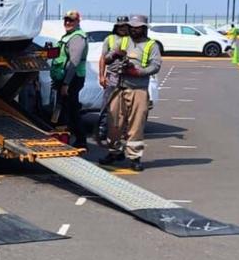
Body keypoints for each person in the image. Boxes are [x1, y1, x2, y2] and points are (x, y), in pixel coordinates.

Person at [101, 13, 161, 171]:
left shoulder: (151, 45)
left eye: (137, 28)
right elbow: (106, 59)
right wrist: (115, 54)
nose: (134, 30)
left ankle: (135, 157)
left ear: (144, 28)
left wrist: (138, 72)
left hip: (138, 89)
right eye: (132, 27)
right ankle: (114, 152)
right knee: (114, 122)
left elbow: (156, 66)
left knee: (136, 125)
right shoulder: (122, 41)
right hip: (119, 88)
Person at [50, 10, 89, 148]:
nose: (67, 22)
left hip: (72, 79)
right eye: (66, 20)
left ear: (78, 22)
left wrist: (66, 84)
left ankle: (80, 139)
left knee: (71, 110)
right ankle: (66, 136)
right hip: (64, 77)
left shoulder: (77, 37)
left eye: (71, 20)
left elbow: (74, 62)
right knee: (63, 108)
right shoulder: (69, 35)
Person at [97, 15, 130, 149]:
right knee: (107, 104)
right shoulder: (109, 39)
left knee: (126, 106)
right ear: (116, 26)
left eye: (125, 26)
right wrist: (101, 76)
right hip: (112, 76)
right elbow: (103, 58)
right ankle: (102, 129)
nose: (122, 28)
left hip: (128, 77)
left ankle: (124, 131)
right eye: (120, 26)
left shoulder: (133, 40)